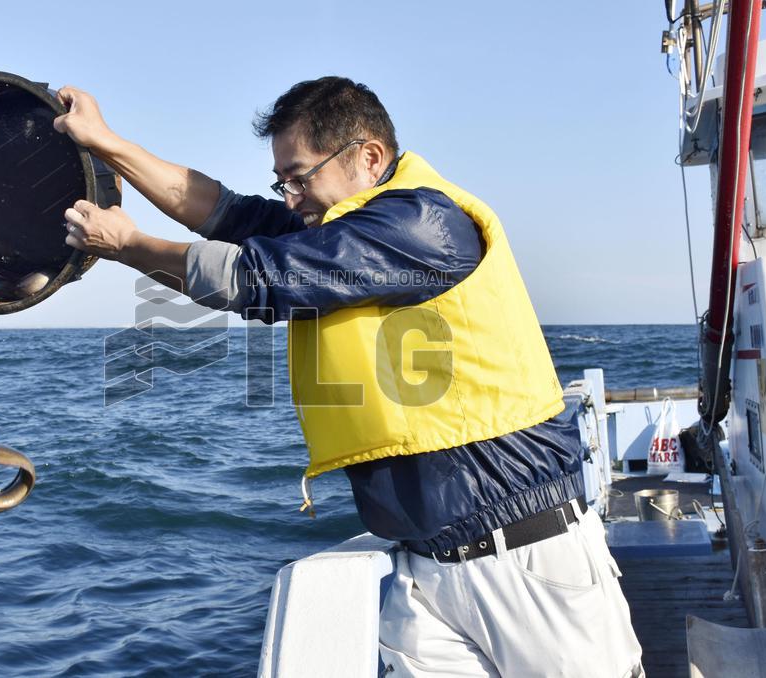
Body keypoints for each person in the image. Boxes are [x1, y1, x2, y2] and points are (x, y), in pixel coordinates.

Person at [53, 76, 643, 678]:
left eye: (300, 177)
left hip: (525, 557)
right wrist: (106, 142)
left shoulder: (417, 223)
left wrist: (129, 246)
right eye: (281, 182)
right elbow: (225, 213)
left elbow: (255, 278)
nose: (289, 198)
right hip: (427, 568)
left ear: (369, 157)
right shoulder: (335, 226)